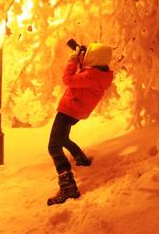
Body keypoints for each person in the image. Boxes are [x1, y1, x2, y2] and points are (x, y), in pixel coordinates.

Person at [47, 42, 114, 205]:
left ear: (94, 59)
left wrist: (73, 60)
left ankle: (68, 186)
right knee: (63, 139)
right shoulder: (99, 74)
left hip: (68, 110)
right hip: (75, 111)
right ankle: (81, 158)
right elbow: (83, 74)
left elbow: (68, 79)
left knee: (54, 146)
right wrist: (81, 59)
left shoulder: (91, 76)